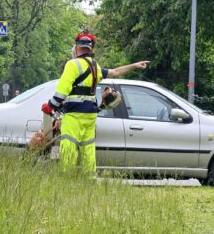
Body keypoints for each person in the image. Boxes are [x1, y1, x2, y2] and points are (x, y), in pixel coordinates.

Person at [42, 32, 149, 178]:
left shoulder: (72, 64)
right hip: (91, 115)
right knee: (88, 147)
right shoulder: (95, 66)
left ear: (76, 48)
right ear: (91, 49)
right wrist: (135, 65)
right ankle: (90, 177)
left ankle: (66, 178)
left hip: (74, 115)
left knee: (69, 145)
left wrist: (51, 105)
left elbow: (62, 91)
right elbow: (115, 72)